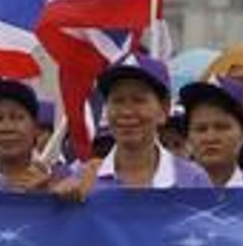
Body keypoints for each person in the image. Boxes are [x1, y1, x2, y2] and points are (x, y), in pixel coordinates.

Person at [84, 53, 212, 189]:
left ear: (164, 109)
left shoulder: (194, 181)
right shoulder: (83, 179)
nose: (127, 112)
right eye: (117, 100)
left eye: (138, 100)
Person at [0, 78, 73, 194]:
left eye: (17, 117)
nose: (7, 128)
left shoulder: (69, 180)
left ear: (35, 128)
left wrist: (47, 195)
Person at [180, 78, 243, 187]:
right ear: (188, 138)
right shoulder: (166, 195)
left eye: (221, 127)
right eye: (201, 129)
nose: (210, 138)